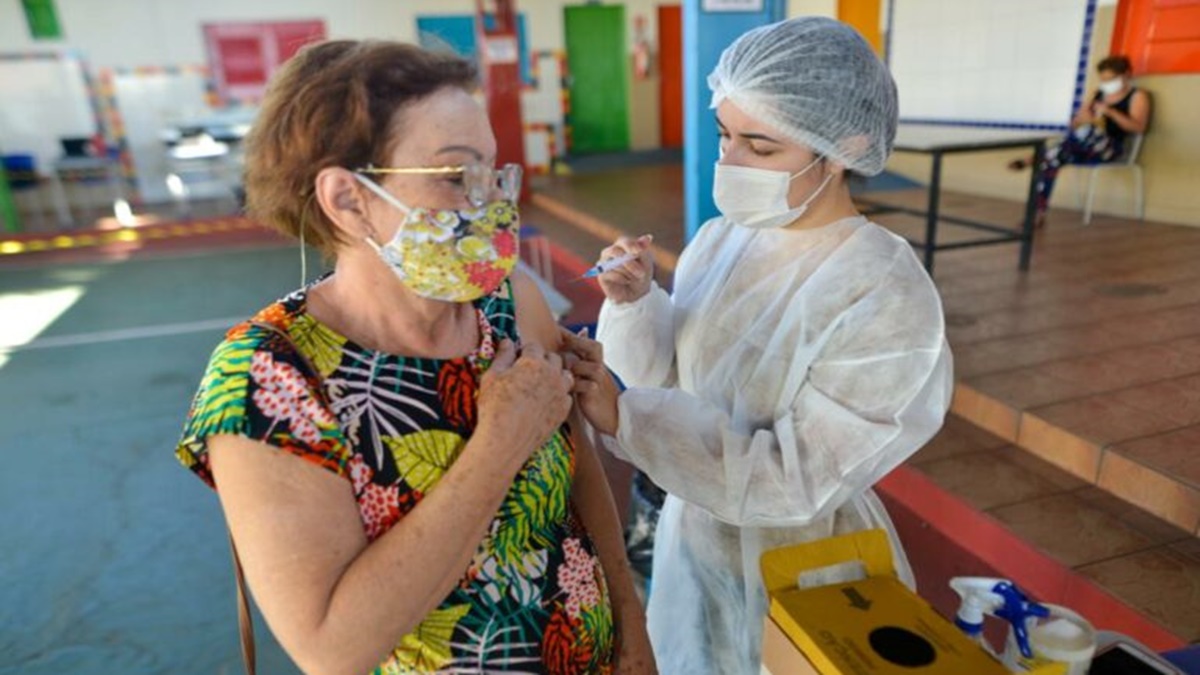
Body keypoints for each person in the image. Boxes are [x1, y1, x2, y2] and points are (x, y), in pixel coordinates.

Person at [174, 40, 654, 675]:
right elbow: (332, 648)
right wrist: (500, 444)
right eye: (457, 177)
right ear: (348, 199)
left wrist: (629, 619)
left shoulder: (507, 302)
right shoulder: (267, 378)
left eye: (492, 171)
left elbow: (579, 474)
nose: (490, 202)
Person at [560, 17, 953, 675]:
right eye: (725, 136)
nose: (731, 162)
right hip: (696, 536)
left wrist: (627, 416)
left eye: (761, 147)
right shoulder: (725, 239)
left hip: (805, 558)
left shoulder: (882, 291)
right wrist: (635, 306)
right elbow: (667, 379)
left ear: (844, 148)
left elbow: (795, 480)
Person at [1009, 55, 1151, 226]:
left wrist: (1110, 112)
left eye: (1112, 79)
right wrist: (1081, 119)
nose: (1107, 84)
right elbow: (1075, 124)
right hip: (1082, 148)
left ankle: (1034, 157)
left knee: (1086, 132)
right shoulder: (1098, 94)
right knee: (1051, 160)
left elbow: (1139, 127)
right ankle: (1037, 214)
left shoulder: (1138, 95)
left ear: (1126, 75)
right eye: (1103, 80)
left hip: (1110, 149)